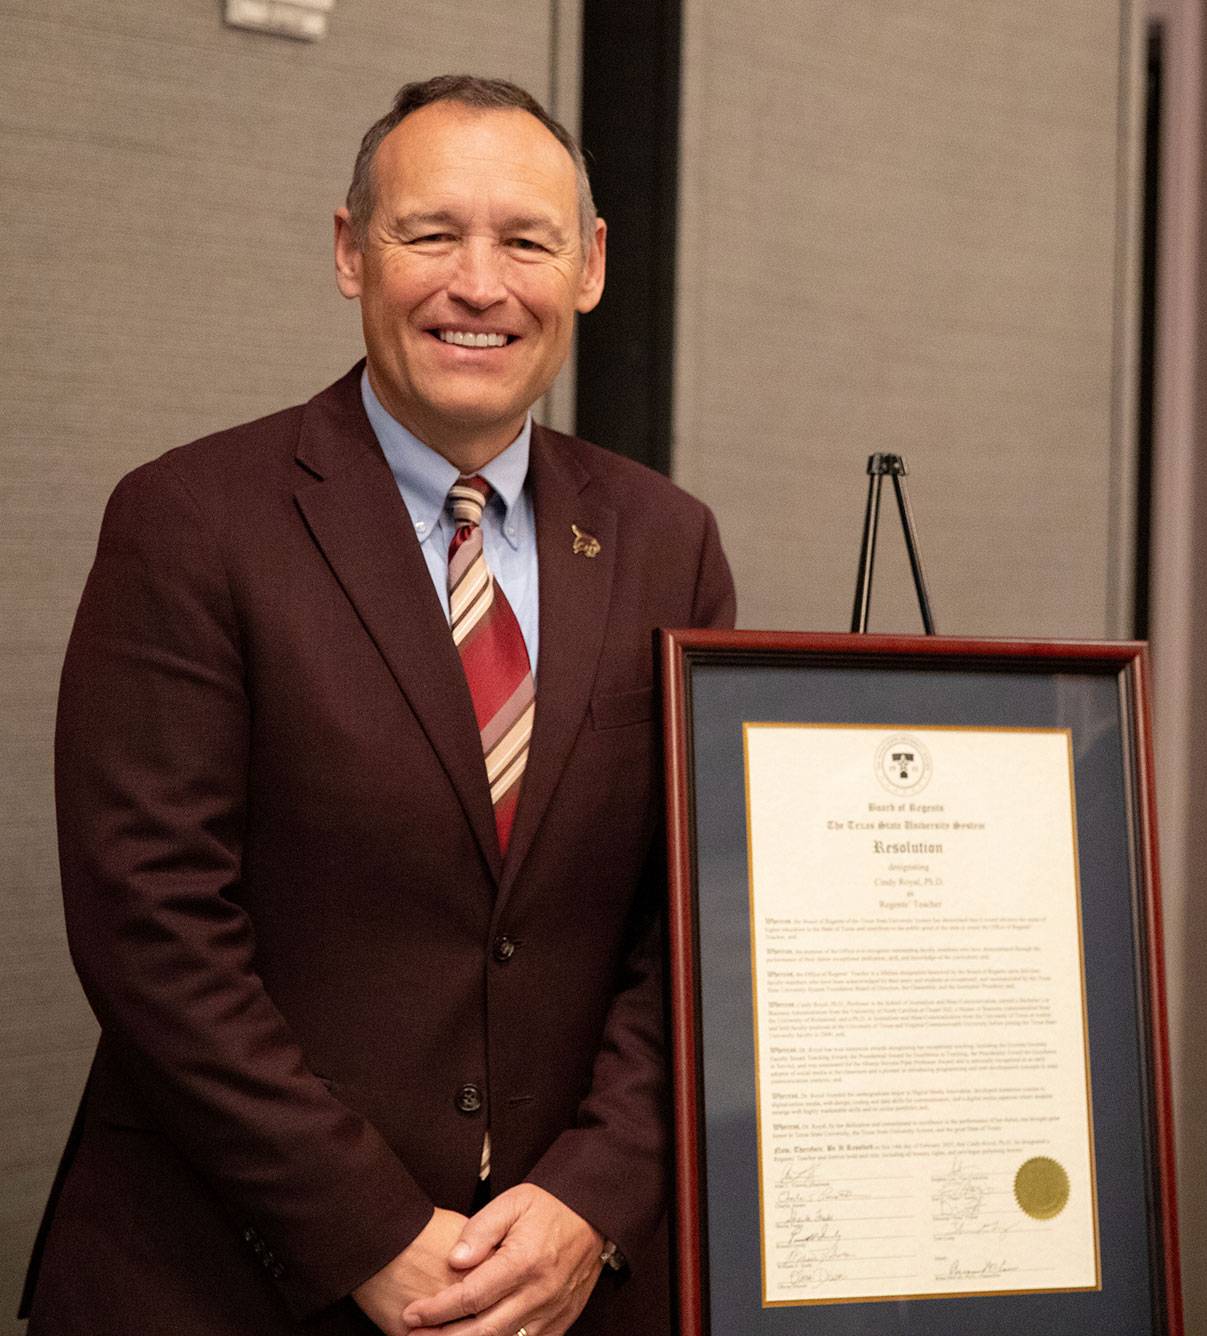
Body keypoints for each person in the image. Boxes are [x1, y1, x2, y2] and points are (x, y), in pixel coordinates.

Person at [22, 75, 734, 1335]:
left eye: (526, 239)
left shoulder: (665, 542)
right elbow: (153, 929)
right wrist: (373, 1230)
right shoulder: (192, 521)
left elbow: (694, 922)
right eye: (430, 234)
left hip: (563, 1284)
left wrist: (592, 1195)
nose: (479, 283)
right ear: (352, 250)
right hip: (228, 1276)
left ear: (591, 267)